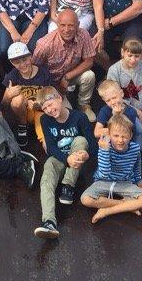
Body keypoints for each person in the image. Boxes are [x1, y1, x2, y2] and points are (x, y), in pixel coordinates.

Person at [33, 85, 96, 240]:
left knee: (80, 140)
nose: (49, 110)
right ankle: (49, 221)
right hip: (61, 157)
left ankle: (68, 185)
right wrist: (66, 159)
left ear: (60, 98)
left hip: (78, 160)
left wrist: (86, 155)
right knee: (47, 172)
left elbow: (92, 144)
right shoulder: (45, 120)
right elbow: (51, 148)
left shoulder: (79, 117)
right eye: (45, 108)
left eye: (50, 104)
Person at [81, 114, 142, 223]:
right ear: (109, 135)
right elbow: (104, 173)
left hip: (125, 182)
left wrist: (138, 180)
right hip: (103, 181)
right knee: (86, 199)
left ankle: (106, 211)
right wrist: (104, 150)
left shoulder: (135, 148)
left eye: (124, 136)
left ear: (130, 135)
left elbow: (136, 164)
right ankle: (127, 205)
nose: (120, 140)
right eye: (116, 136)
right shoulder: (104, 147)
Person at [32, 9, 98, 121]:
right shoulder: (45, 44)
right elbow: (35, 70)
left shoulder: (83, 34)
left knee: (89, 76)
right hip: (51, 82)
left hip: (70, 75)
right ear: (57, 24)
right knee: (67, 116)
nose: (66, 30)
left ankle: (83, 105)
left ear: (78, 25)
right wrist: (51, 89)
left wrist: (67, 77)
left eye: (71, 25)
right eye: (62, 25)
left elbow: (89, 61)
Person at [1, 42, 54, 147]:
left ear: (30, 56)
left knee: (45, 136)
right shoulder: (12, 76)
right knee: (17, 100)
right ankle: (22, 127)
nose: (22, 64)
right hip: (23, 115)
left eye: (24, 59)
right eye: (17, 62)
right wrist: (8, 96)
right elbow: (3, 107)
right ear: (12, 63)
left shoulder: (44, 73)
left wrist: (39, 104)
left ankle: (48, 147)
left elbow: (52, 96)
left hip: (42, 111)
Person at [106, 39, 142, 134]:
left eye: (137, 56)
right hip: (121, 110)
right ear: (122, 52)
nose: (133, 60)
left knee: (141, 133)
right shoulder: (114, 70)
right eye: (130, 55)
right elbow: (114, 98)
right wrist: (137, 112)